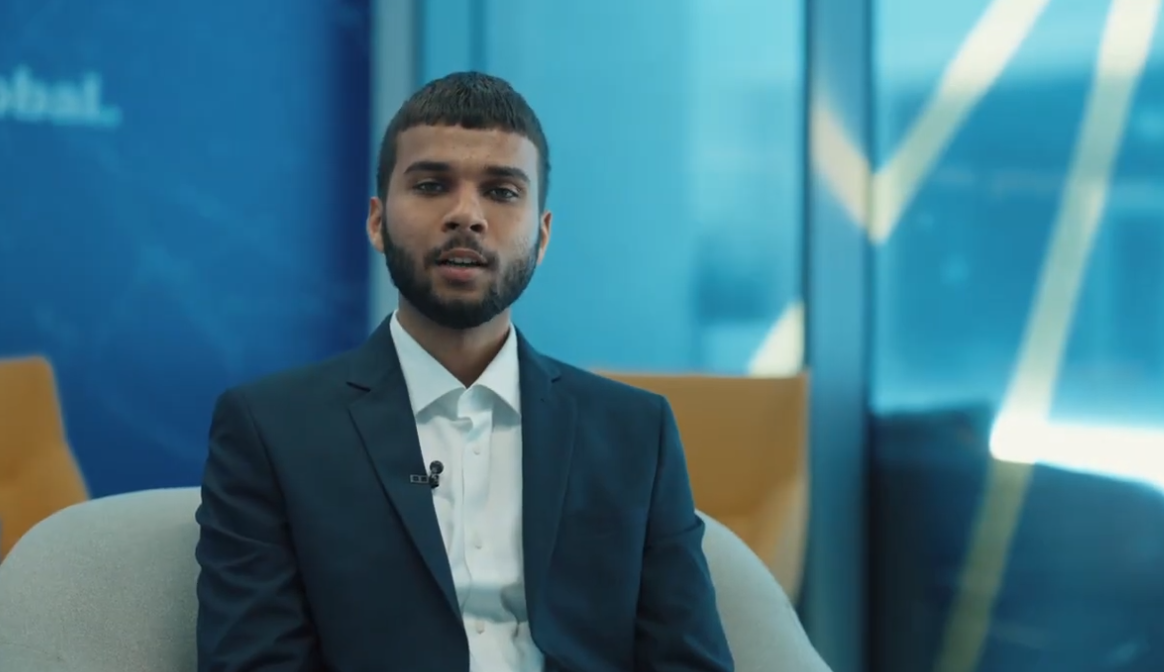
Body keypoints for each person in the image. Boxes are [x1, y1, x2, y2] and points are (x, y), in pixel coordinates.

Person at [195, 71, 734, 672]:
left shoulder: (635, 432)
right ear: (376, 221)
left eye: (502, 191)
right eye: (431, 185)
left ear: (542, 236)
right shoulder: (273, 429)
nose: (466, 215)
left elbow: (689, 659)